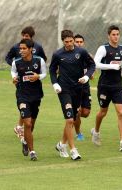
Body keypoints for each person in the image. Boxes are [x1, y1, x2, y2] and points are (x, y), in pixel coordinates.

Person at [49, 30, 95, 160]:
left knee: (72, 119)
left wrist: (86, 77)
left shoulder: (81, 52)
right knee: (69, 119)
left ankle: (61, 144)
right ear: (62, 41)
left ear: (73, 40)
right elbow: (52, 71)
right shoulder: (58, 54)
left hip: (78, 89)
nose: (69, 44)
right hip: (64, 90)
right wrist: (55, 84)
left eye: (71, 41)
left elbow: (92, 65)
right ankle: (73, 150)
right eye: (66, 42)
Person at [91, 25, 122, 151]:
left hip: (117, 85)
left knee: (121, 112)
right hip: (104, 86)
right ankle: (96, 131)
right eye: (113, 34)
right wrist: (111, 67)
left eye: (117, 34)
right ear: (109, 36)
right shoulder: (103, 48)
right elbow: (96, 64)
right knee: (103, 112)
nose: (116, 36)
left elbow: (119, 61)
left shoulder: (121, 48)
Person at [5, 26, 47, 142]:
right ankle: (20, 127)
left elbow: (43, 59)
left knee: (30, 106)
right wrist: (16, 67)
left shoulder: (38, 47)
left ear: (31, 37)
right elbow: (8, 58)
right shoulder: (16, 47)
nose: (24, 37)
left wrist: (38, 73)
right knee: (24, 101)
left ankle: (22, 128)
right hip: (21, 81)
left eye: (27, 36)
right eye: (23, 35)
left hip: (34, 83)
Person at [11, 39, 47, 161]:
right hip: (22, 96)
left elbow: (44, 74)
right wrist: (14, 78)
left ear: (30, 49)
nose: (21, 51)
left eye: (24, 48)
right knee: (27, 123)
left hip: (36, 95)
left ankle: (25, 141)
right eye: (20, 48)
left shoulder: (39, 60)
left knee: (31, 125)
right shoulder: (16, 62)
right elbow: (13, 72)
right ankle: (32, 152)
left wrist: (38, 76)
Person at [73, 34, 93, 141]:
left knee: (85, 113)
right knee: (78, 112)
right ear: (73, 42)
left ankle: (74, 117)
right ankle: (78, 133)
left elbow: (92, 68)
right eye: (77, 41)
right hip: (74, 87)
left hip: (85, 87)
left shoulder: (88, 55)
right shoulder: (69, 55)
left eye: (81, 42)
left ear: (83, 43)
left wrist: (90, 74)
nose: (79, 44)